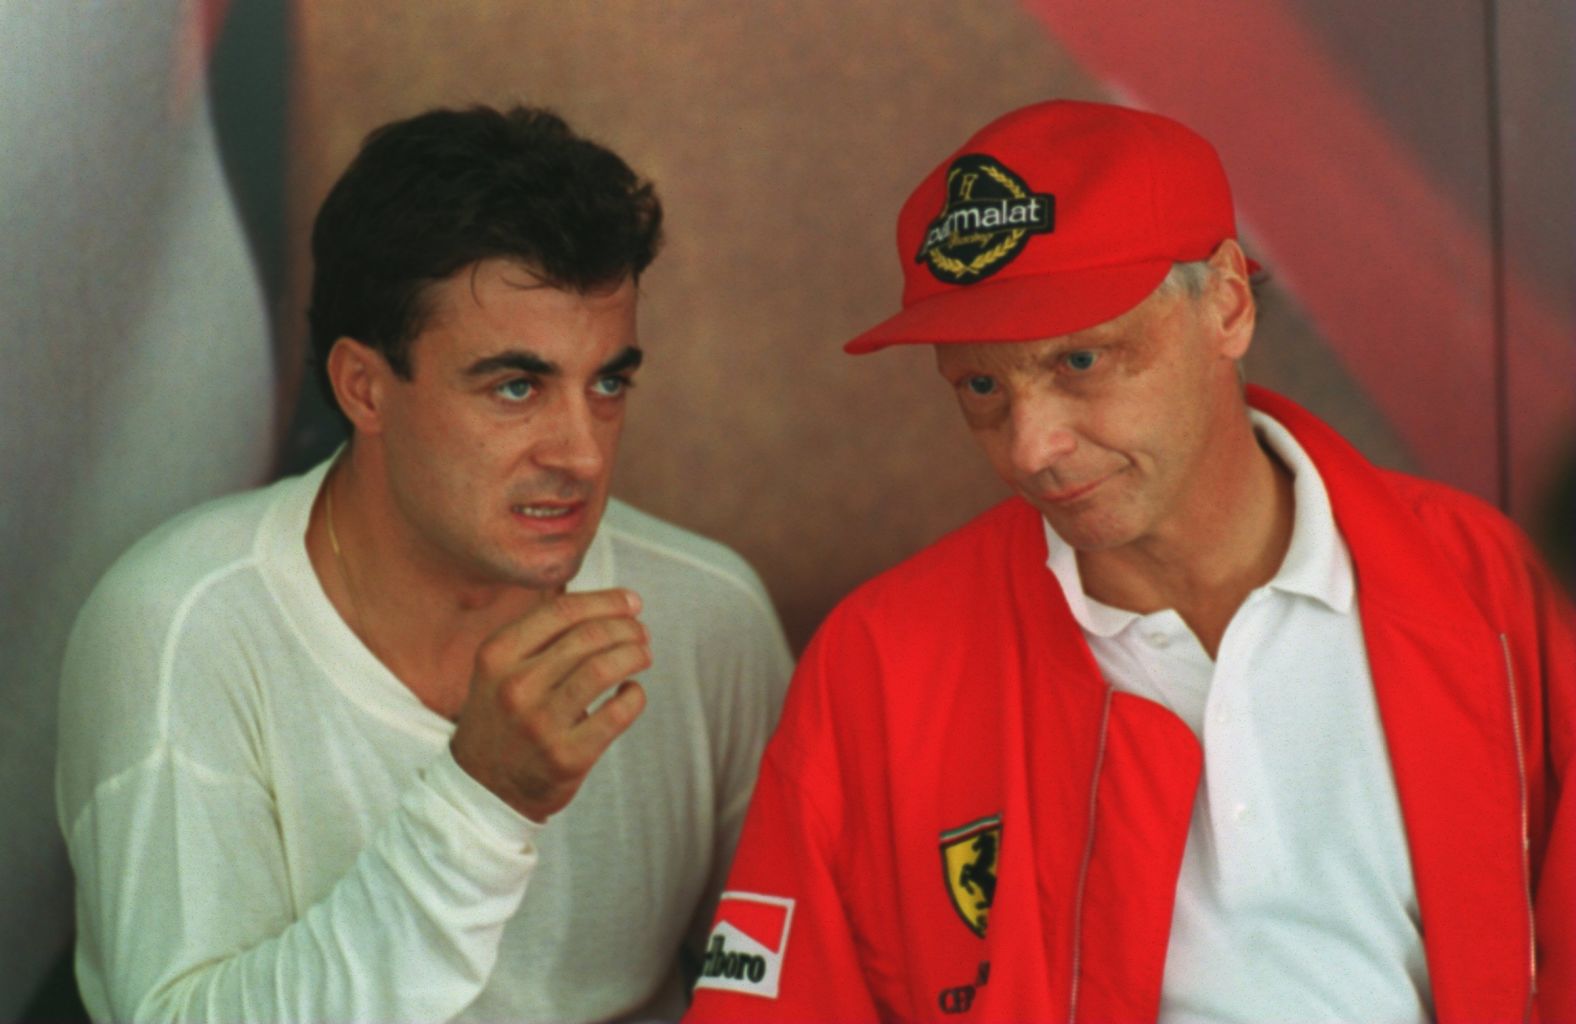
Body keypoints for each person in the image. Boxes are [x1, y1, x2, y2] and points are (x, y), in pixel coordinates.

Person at [685, 100, 1574, 1022]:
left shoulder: (1499, 587)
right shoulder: (881, 662)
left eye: (1080, 362)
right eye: (982, 385)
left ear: (1226, 304)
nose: (1030, 446)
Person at [56, 105, 792, 1023]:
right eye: (516, 387)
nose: (584, 453)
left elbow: (793, 973)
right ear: (364, 387)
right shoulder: (183, 625)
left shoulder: (708, 615)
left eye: (607, 382)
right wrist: (482, 804)